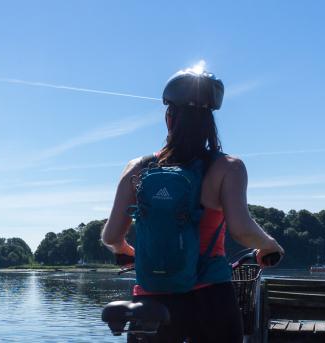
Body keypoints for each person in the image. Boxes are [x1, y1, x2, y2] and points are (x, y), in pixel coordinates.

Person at [101, 65, 284, 342]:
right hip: (209, 297)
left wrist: (125, 250)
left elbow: (112, 235)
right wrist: (270, 246)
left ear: (169, 117)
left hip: (153, 301)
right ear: (210, 119)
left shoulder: (138, 168)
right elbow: (241, 229)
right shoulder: (227, 167)